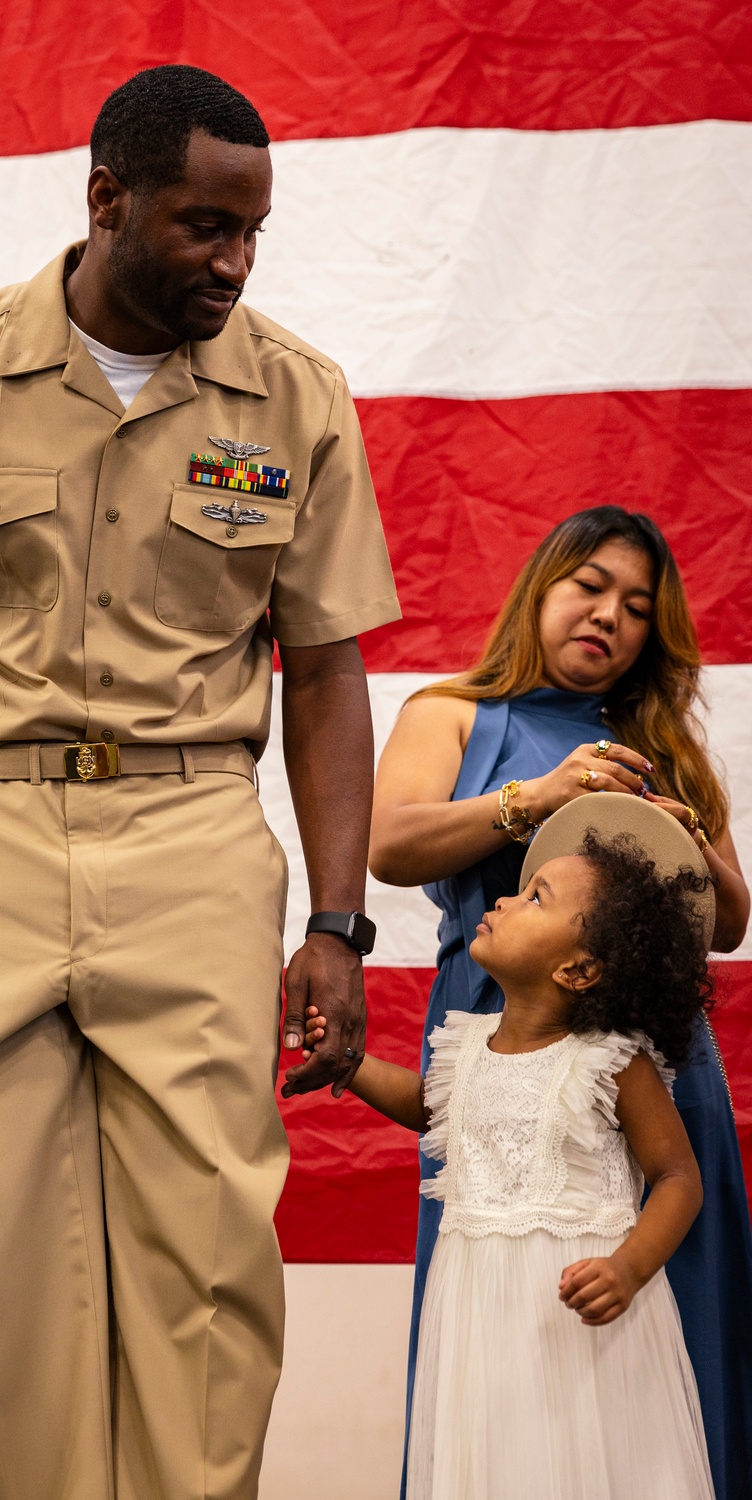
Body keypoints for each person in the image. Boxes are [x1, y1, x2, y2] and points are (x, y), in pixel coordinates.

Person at [0, 66, 400, 1500]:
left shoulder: (296, 394)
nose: (233, 263)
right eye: (203, 227)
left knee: (207, 1280)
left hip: (193, 831)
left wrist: (338, 921)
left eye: (254, 233)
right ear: (105, 201)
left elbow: (322, 673)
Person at [367, 506, 752, 1500]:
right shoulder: (447, 712)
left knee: (681, 1305)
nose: (608, 616)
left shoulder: (660, 740)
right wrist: (531, 799)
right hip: (495, 1046)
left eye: (635, 607)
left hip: (657, 1065)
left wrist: (685, 839)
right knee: (502, 1311)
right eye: (590, 586)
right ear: (542, 586)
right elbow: (391, 846)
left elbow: (726, 924)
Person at [304, 799, 717, 1499]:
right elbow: (432, 1107)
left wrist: (628, 1268)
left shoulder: (612, 1061)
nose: (502, 898)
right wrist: (349, 1064)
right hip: (479, 1315)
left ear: (579, 970)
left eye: (535, 899)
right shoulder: (464, 1043)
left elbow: (677, 1177)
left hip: (578, 1322)